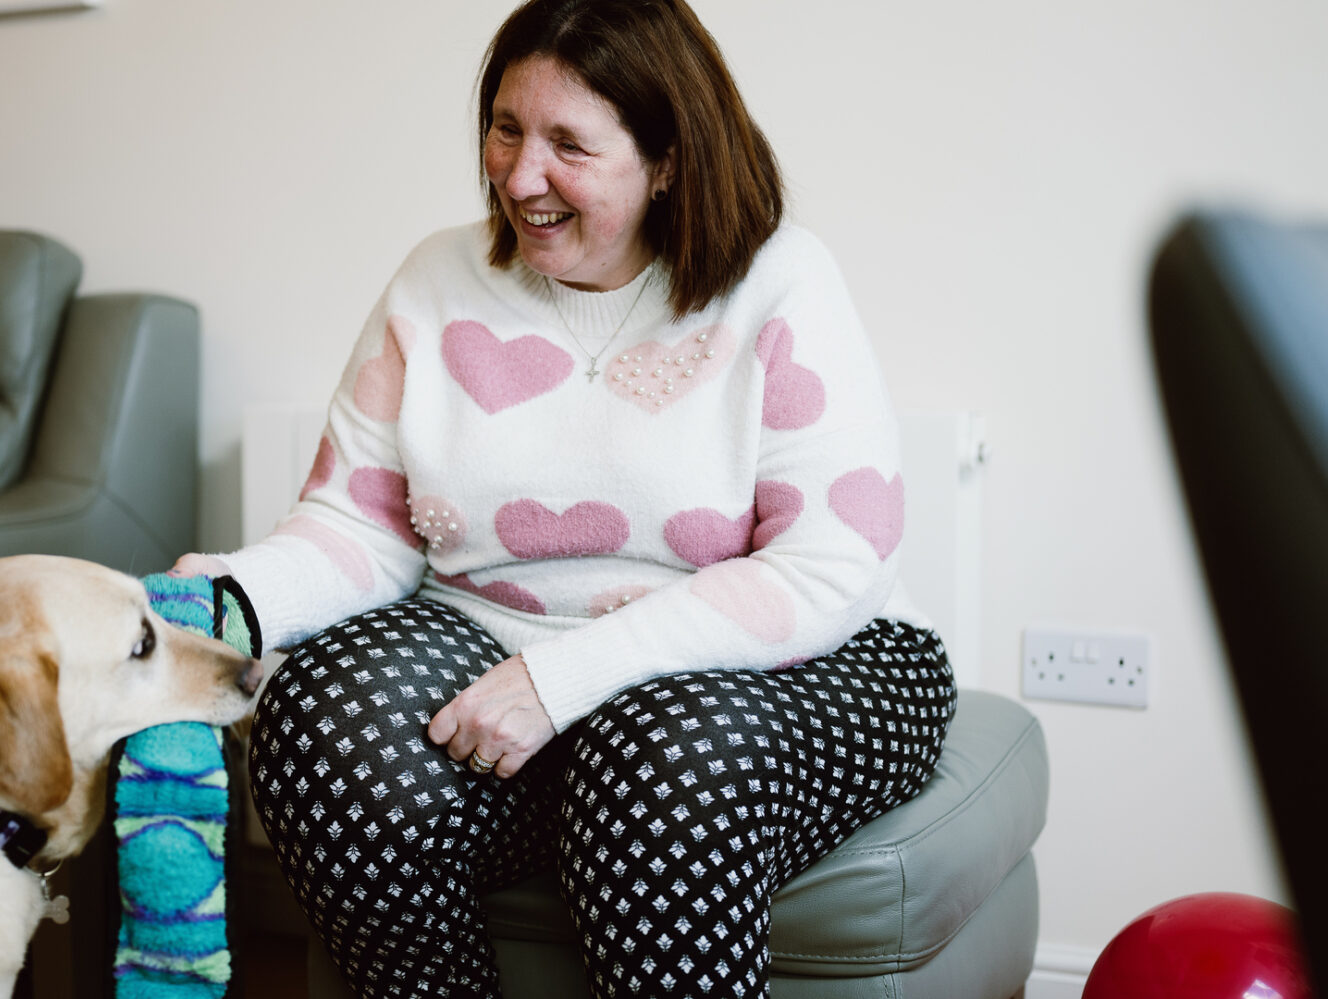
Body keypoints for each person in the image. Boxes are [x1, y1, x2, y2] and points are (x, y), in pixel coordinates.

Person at [173, 0, 956, 994]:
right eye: (506, 129)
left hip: (799, 661)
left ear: (666, 158)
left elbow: (832, 564)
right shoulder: (436, 280)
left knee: (663, 767)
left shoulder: (780, 280)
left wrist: (567, 683)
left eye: (567, 146)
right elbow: (355, 522)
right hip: (506, 658)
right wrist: (233, 600)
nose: (518, 175)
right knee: (321, 729)